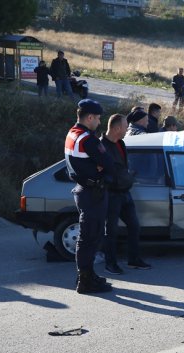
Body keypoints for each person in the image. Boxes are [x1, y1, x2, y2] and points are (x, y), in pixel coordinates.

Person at [64, 99, 113, 294]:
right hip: (93, 192)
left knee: (89, 236)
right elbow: (108, 163)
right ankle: (84, 281)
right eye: (99, 118)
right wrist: (100, 167)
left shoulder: (72, 133)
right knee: (89, 237)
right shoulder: (88, 139)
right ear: (90, 117)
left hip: (85, 189)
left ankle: (87, 274)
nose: (100, 122)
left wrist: (98, 165)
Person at [101, 114, 152, 275]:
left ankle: (134, 260)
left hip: (125, 193)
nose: (127, 130)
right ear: (116, 128)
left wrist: (128, 177)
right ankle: (110, 263)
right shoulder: (101, 147)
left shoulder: (121, 143)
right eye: (124, 127)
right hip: (111, 194)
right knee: (111, 230)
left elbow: (123, 166)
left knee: (134, 226)